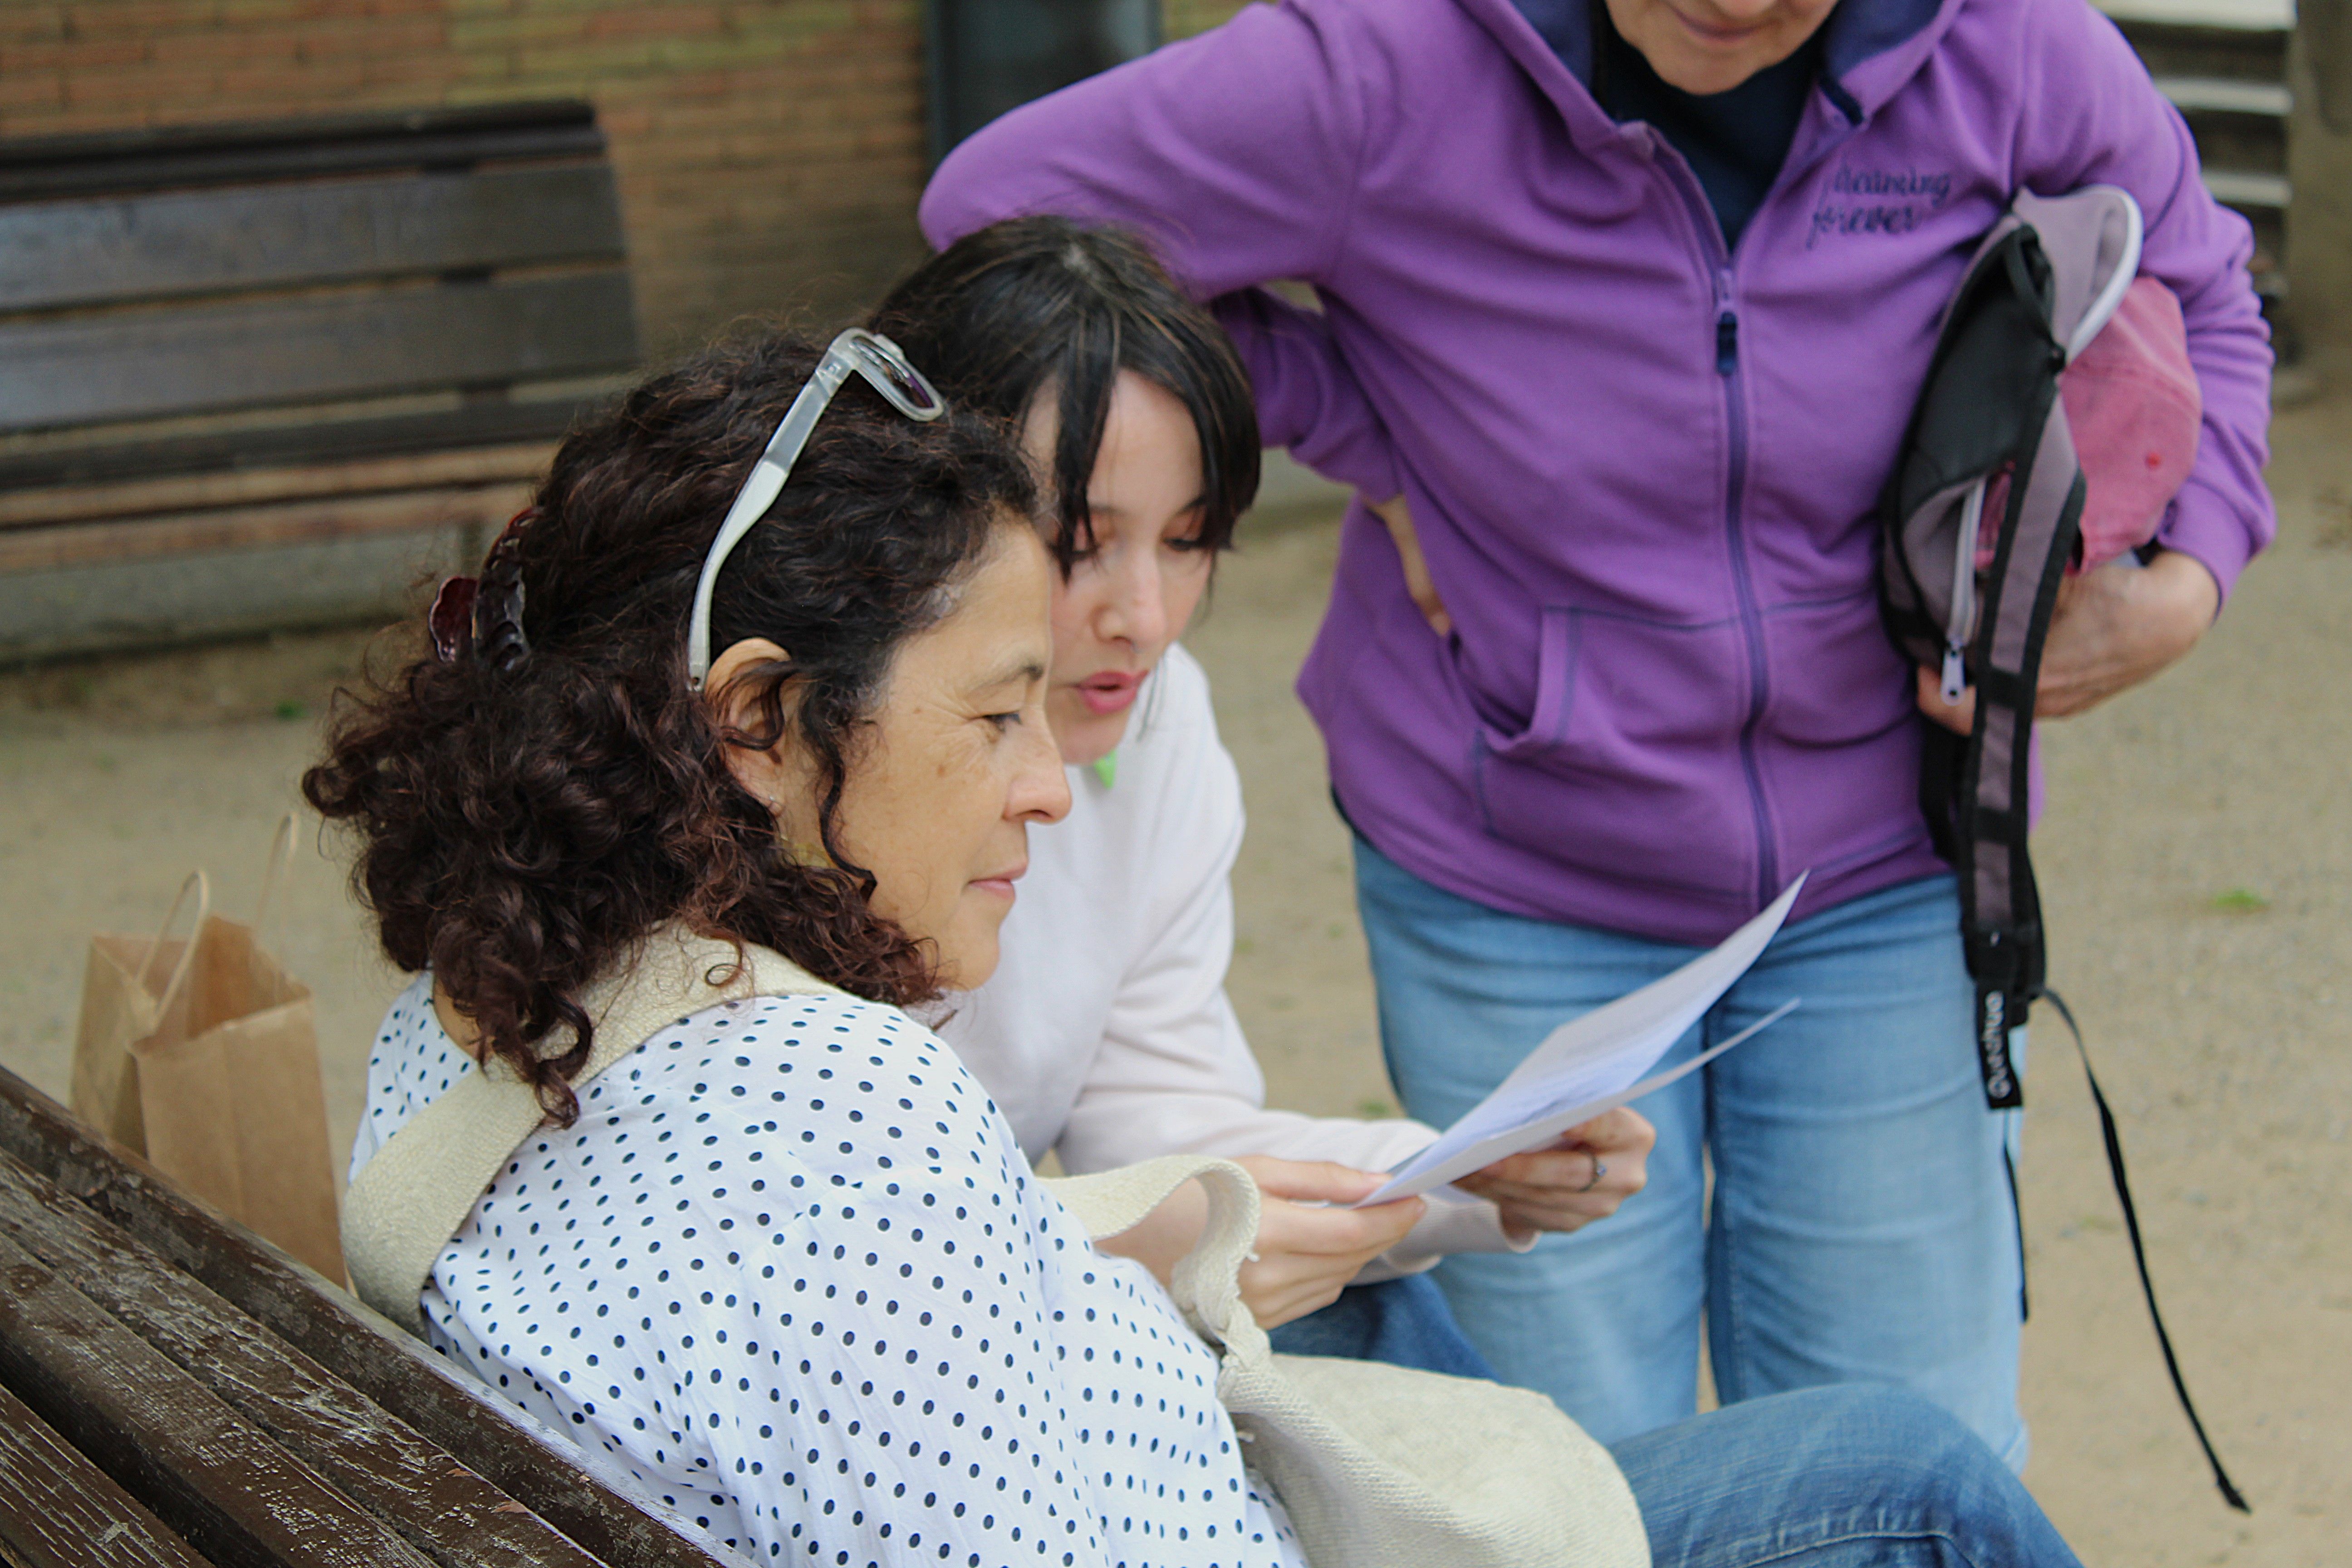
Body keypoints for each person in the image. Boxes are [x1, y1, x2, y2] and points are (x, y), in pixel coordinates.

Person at [315, 323, 2084, 1567]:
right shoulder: (840, 1098)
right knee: (1905, 1479)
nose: (1048, 783)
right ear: (760, 723)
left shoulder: (482, 1011)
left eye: (1191, 544)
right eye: (995, 715)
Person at [917, 0, 2277, 1460]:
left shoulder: (2013, 45)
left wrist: (2189, 577)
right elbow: (1002, 228)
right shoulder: (1384, 61)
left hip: (1887, 858)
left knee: (1898, 1448)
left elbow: (2205, 283)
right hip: (1518, 871)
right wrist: (1383, 441)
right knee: (1567, 1468)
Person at [868, 216, 1656, 1376]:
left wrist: (1458, 1173)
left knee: (1377, 1318)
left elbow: (1156, 1116)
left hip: (1012, 1313)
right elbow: (795, 1244)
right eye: (1081, 540)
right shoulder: (800, 761)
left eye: (1189, 541)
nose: (1144, 617)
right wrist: (1114, 1250)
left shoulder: (1158, 717)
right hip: (873, 1382)